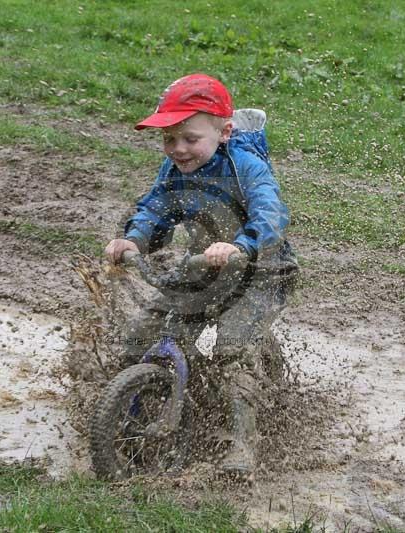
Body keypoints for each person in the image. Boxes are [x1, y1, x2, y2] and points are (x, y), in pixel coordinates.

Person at [104, 73, 298, 476]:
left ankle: (242, 444)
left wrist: (241, 245)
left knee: (231, 349)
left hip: (262, 271)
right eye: (169, 139)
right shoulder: (174, 169)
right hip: (202, 268)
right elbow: (155, 207)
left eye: (190, 139)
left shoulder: (247, 167)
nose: (178, 149)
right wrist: (133, 239)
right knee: (141, 334)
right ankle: (128, 409)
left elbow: (272, 213)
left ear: (224, 132)